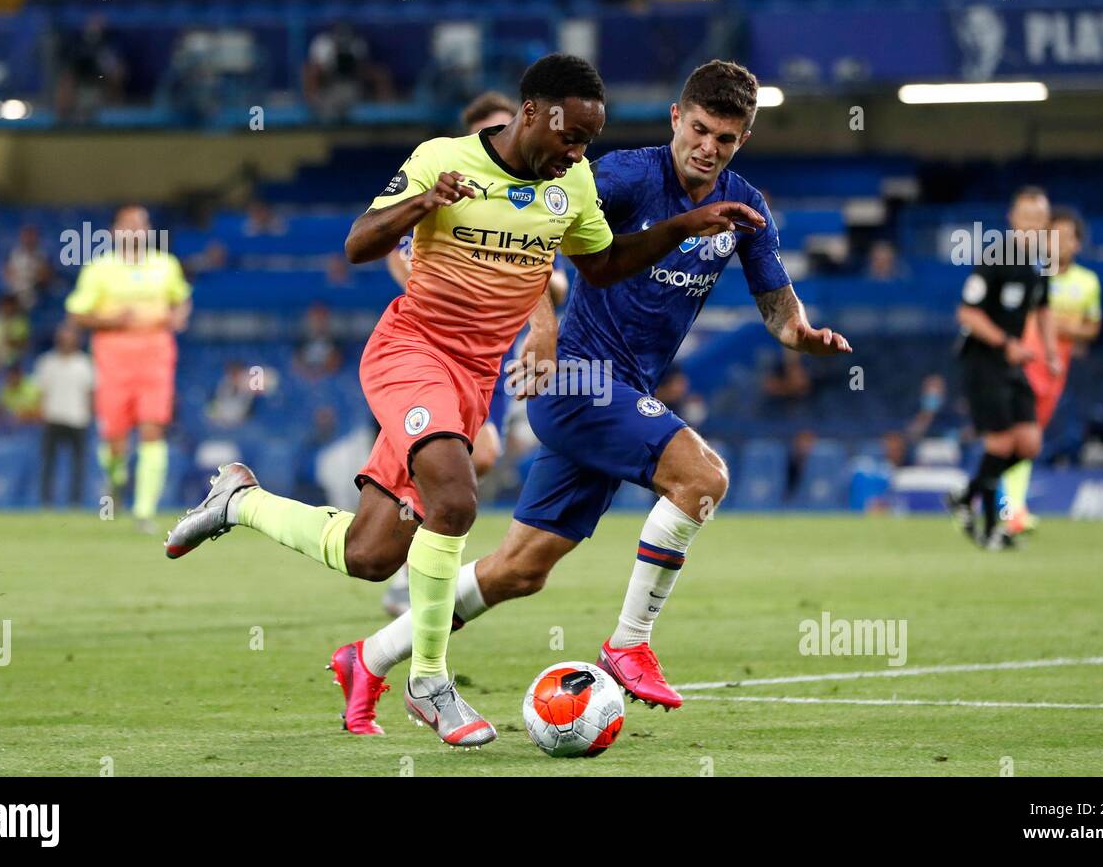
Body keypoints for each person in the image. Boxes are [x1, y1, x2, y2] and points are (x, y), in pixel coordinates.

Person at [163, 53, 765, 748]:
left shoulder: (569, 186)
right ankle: (429, 681)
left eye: (588, 142)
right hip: (410, 353)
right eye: (570, 136)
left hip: (471, 379)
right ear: (531, 113)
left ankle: (238, 501)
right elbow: (360, 243)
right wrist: (424, 205)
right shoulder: (442, 159)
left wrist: (679, 230)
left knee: (370, 554)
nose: (577, 153)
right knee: (455, 500)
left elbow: (603, 264)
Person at [337, 59, 848, 734]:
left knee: (520, 570)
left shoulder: (744, 208)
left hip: (621, 394)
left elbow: (777, 306)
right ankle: (628, 643)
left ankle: (368, 658)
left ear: (742, 141)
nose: (707, 147)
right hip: (575, 381)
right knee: (700, 476)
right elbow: (538, 240)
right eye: (699, 129)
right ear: (676, 117)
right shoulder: (627, 177)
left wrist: (801, 334)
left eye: (725, 139)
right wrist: (542, 329)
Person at [378, 90, 569, 618]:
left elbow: (555, 282)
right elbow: (401, 259)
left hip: (492, 352)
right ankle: (405, 570)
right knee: (463, 461)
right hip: (430, 348)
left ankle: (403, 557)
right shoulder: (445, 185)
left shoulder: (537, 197)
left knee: (473, 461)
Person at [65, 205, 192, 531]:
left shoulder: (166, 265)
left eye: (141, 224)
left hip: (155, 356)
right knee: (114, 437)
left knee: (153, 427)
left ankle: (144, 511)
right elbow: (78, 314)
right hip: (113, 359)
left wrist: (179, 315)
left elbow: (181, 299)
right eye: (128, 225)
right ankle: (115, 478)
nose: (135, 230)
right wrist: (110, 319)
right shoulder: (99, 269)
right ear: (114, 232)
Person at [946, 187, 1059, 550]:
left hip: (1012, 362)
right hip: (985, 360)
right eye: (1025, 218)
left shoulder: (1041, 262)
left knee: (1029, 443)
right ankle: (994, 531)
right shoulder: (996, 256)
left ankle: (966, 494)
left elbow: (1043, 309)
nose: (1031, 226)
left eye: (1038, 220)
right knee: (1001, 441)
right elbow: (967, 312)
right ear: (1012, 219)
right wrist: (1006, 343)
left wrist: (1052, 352)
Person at [1001, 206, 1100, 535]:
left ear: (1077, 244)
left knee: (1029, 438)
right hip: (1026, 364)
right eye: (1052, 236)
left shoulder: (1088, 283)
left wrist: (1061, 325)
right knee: (1022, 433)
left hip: (1056, 370)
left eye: (1066, 237)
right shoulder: (1028, 274)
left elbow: (1091, 329)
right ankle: (1011, 509)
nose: (1058, 243)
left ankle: (996, 503)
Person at [33, 324, 94, 506]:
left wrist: (90, 413)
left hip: (78, 419)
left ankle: (75, 502)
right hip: (53, 418)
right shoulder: (46, 362)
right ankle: (46, 501)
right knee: (48, 463)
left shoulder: (85, 363)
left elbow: (90, 392)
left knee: (78, 464)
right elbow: (41, 392)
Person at [0, 293, 30, 373]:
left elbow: (23, 344)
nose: (7, 309)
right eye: (4, 306)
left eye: (9, 306)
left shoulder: (20, 322)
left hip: (16, 363)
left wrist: (9, 337)